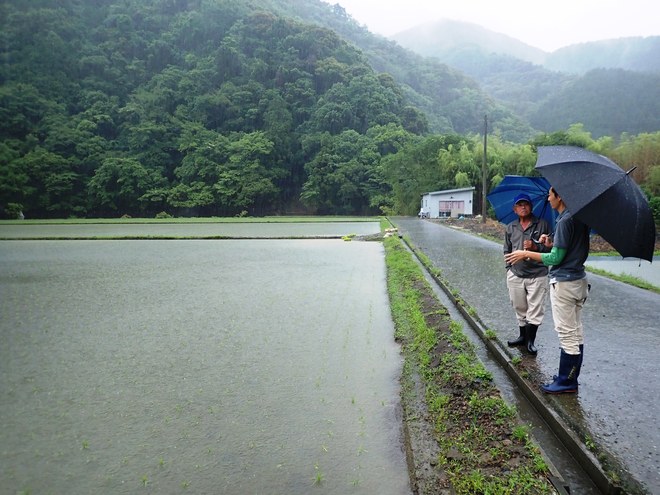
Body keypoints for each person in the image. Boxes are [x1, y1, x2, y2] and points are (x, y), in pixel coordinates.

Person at [504, 186, 590, 394]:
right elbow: (563, 249)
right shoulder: (579, 218)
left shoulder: (564, 220)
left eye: (551, 196)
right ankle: (569, 377)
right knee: (576, 332)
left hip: (565, 283)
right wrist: (551, 243)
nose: (549, 200)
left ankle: (566, 382)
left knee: (567, 333)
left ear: (559, 196)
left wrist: (526, 253)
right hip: (579, 279)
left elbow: (555, 258)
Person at [503, 193, 551, 355]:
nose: (523, 207)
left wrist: (535, 247)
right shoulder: (511, 227)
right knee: (519, 306)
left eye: (526, 204)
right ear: (514, 209)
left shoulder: (543, 225)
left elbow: (551, 249)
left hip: (537, 274)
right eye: (519, 205)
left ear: (531, 207)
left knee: (535, 309)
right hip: (516, 273)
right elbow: (506, 249)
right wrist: (509, 267)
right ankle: (522, 336)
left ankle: (530, 342)